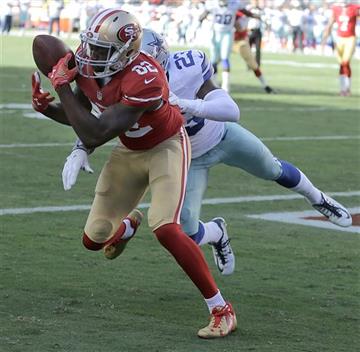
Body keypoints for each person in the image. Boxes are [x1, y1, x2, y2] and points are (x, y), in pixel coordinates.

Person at [62, 28, 352, 278]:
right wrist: (80, 147)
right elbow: (103, 122)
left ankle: (318, 198)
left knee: (272, 168)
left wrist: (189, 104)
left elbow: (231, 110)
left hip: (221, 136)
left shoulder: (186, 66)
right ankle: (217, 232)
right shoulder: (127, 82)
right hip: (186, 158)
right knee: (186, 232)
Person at [31, 9, 236, 338]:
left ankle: (221, 309)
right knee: (93, 239)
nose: (91, 55)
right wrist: (48, 108)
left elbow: (98, 132)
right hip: (129, 152)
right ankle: (126, 227)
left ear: (126, 51)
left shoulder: (146, 75)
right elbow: (81, 116)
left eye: (101, 49)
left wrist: (63, 91)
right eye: (90, 45)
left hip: (165, 147)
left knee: (167, 228)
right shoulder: (87, 63)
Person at [198, 0, 261, 92]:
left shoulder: (234, 3)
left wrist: (255, 16)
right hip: (215, 33)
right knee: (214, 60)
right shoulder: (212, 3)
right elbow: (203, 14)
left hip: (227, 33)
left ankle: (225, 86)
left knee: (225, 58)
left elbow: (246, 12)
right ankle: (214, 84)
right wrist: (201, 20)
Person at [322, 1, 360, 96]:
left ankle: (346, 88)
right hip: (339, 38)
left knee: (345, 62)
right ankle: (343, 88)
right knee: (341, 64)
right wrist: (325, 37)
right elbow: (330, 23)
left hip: (350, 38)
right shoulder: (336, 8)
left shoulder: (354, 8)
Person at [234, 10, 275, 94]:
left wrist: (262, 19)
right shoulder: (232, 10)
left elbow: (243, 24)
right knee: (216, 61)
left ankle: (265, 85)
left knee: (253, 63)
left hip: (240, 40)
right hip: (226, 38)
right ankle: (215, 86)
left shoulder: (242, 12)